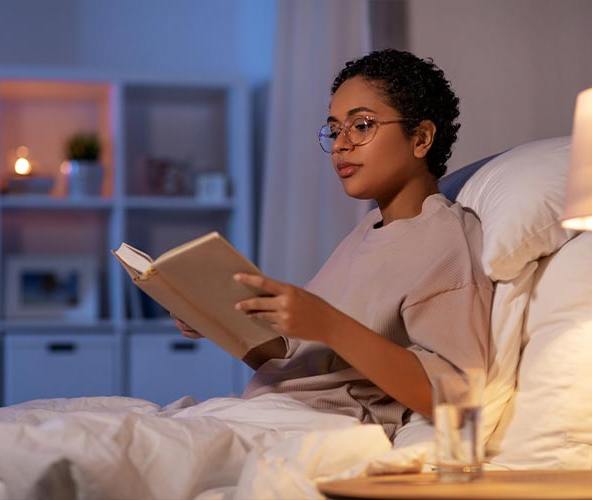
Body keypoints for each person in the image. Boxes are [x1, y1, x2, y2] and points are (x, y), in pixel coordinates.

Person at [174, 49, 493, 440]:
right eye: (334, 129)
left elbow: (457, 397)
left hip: (314, 432)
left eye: (361, 125)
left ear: (422, 138)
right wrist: (220, 320)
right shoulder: (368, 230)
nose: (341, 144)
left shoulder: (446, 240)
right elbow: (301, 363)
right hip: (263, 413)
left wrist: (329, 324)